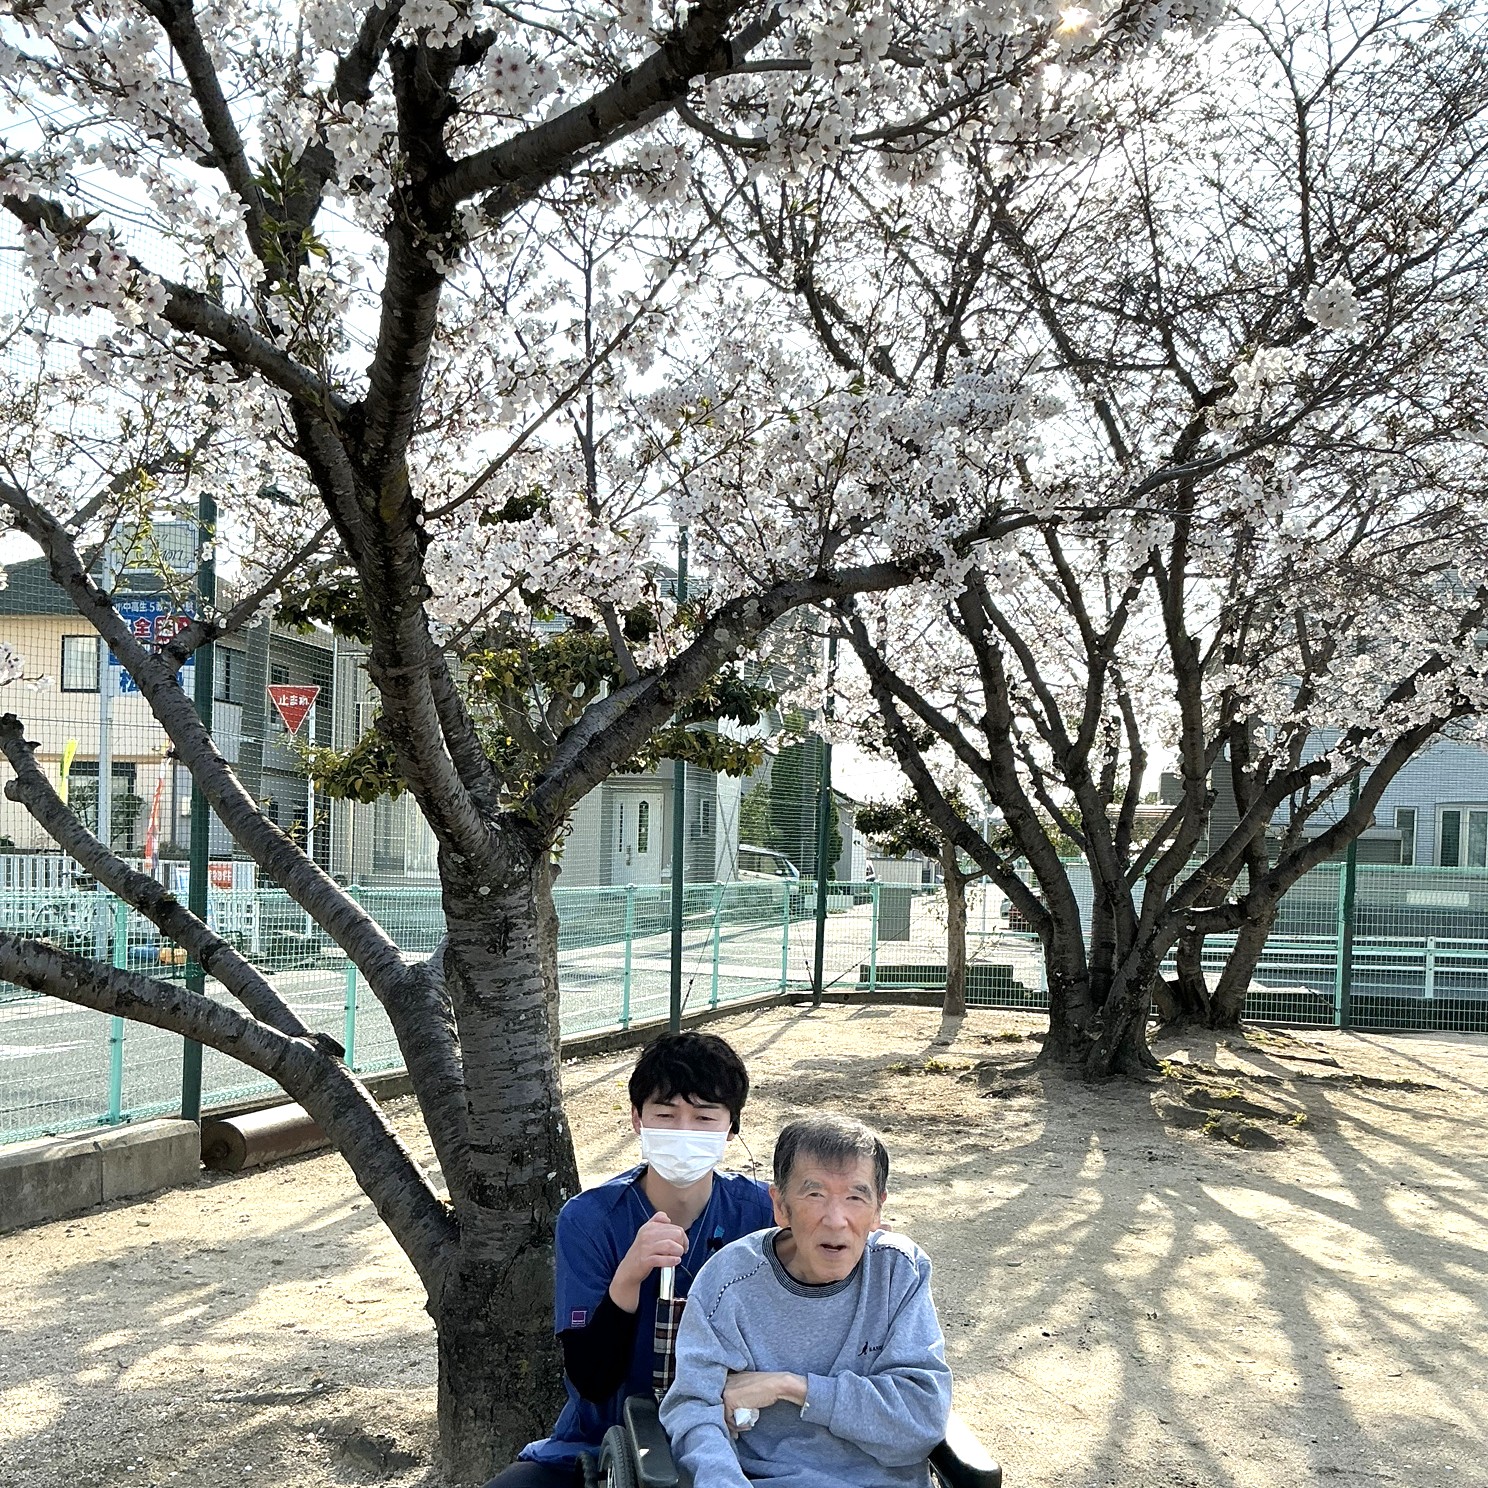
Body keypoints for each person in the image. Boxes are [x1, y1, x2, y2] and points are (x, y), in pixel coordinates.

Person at [485, 1031, 774, 1488]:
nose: (684, 1133)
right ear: (637, 1120)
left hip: (737, 1440)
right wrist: (627, 1278)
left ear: (731, 1127)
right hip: (606, 1440)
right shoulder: (591, 1219)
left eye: (704, 1118)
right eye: (665, 1115)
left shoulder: (765, 1212)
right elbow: (591, 1381)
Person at [659, 1114, 951, 1488]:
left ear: (878, 1209)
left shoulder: (898, 1272)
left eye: (855, 1197)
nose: (836, 1220)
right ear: (780, 1206)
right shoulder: (729, 1281)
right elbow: (694, 1409)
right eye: (815, 1194)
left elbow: (921, 1420)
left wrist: (793, 1387)